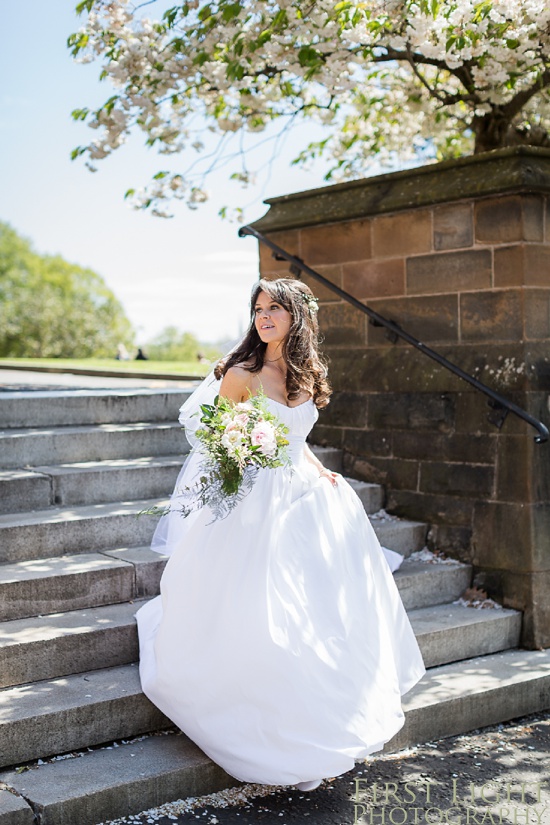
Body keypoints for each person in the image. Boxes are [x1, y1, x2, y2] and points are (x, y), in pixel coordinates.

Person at [134, 277, 426, 793]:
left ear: (298, 317)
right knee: (263, 608)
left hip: (301, 492)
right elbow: (214, 436)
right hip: (255, 495)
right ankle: (268, 720)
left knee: (318, 606)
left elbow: (295, 436)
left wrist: (318, 469)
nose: (264, 316)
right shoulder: (240, 373)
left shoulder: (305, 372)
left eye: (274, 308)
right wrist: (243, 459)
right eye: (258, 308)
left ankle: (325, 714)